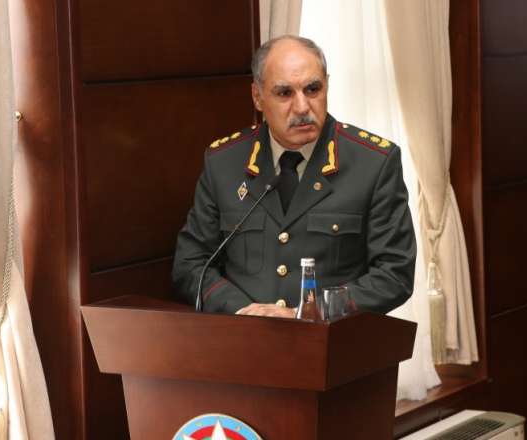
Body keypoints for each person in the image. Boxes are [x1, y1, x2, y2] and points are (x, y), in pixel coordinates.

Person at [172, 35, 415, 317]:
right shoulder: (224, 162)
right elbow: (191, 263)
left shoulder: (373, 163)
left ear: (327, 86)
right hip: (244, 338)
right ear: (257, 97)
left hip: (334, 340)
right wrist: (242, 311)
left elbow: (394, 275)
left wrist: (308, 313)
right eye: (284, 93)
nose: (302, 107)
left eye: (312, 89)